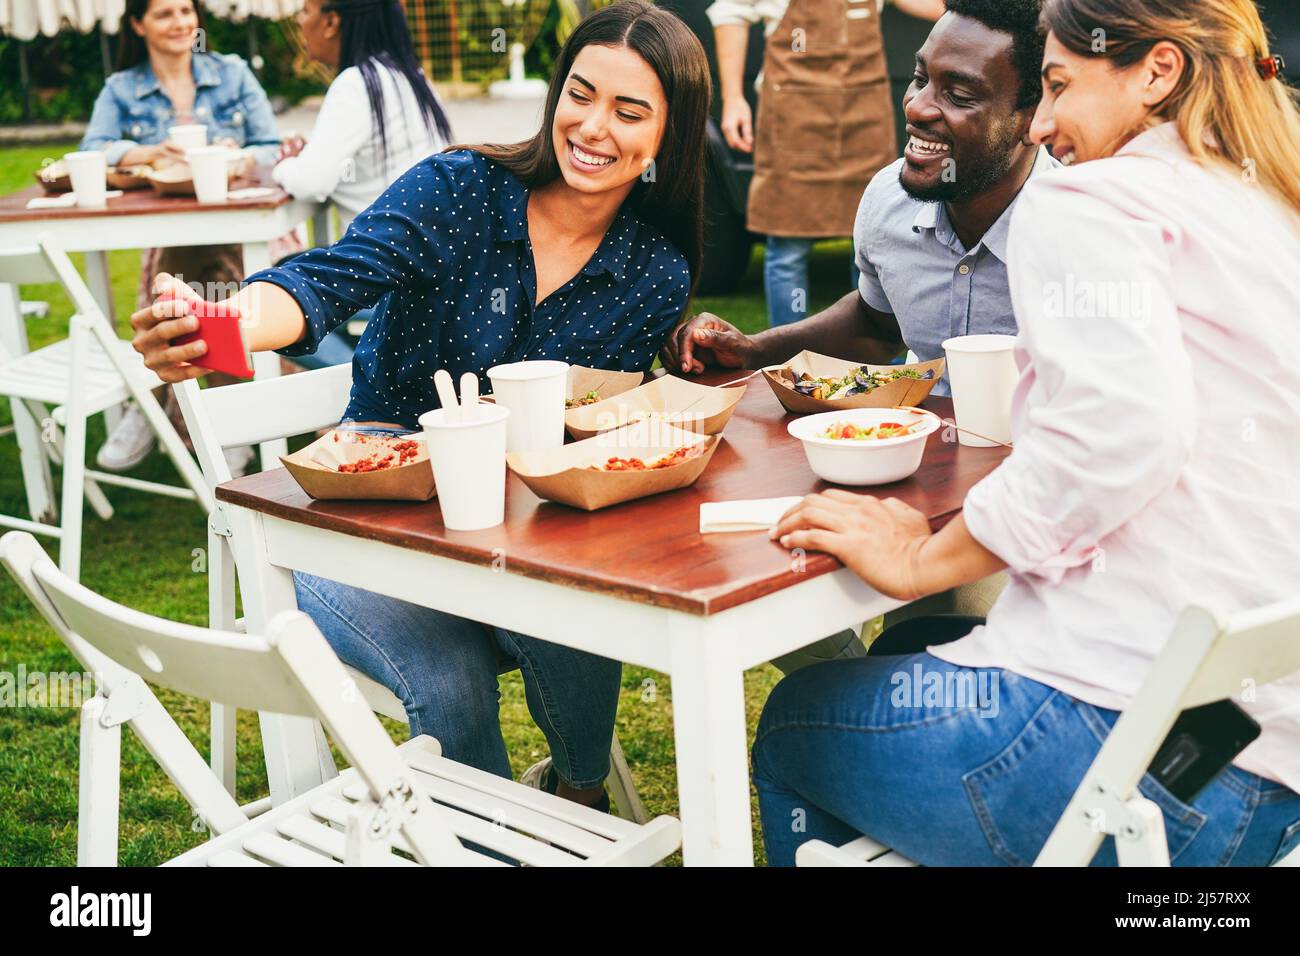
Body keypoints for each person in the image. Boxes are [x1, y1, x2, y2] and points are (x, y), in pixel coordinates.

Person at [754, 0, 1300, 866]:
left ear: (1157, 72)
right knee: (922, 651)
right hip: (1260, 773)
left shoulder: (1090, 201)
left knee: (795, 722)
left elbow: (1121, 434)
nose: (1042, 127)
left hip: (1133, 773)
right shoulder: (1266, 206)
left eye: (1057, 86)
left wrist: (920, 560)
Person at [129, 1, 709, 811]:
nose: (594, 126)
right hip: (368, 516)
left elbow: (592, 431)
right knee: (453, 679)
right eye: (580, 94)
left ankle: (581, 796)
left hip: (518, 527)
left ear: (669, 136)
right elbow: (324, 281)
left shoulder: (653, 271)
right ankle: (483, 845)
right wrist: (214, 328)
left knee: (585, 607)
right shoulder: (462, 189)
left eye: (629, 110)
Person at [670, 0, 1053, 663]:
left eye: (958, 93)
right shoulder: (888, 201)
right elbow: (878, 322)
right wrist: (757, 348)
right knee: (753, 573)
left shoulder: (1079, 228)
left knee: (932, 637)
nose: (919, 108)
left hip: (1032, 507)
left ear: (1032, 120)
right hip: (910, 477)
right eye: (920, 79)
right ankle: (849, 688)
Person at [81, 0, 285, 475]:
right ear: (138, 23)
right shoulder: (121, 88)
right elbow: (92, 149)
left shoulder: (231, 73)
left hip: (235, 227)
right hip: (171, 229)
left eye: (185, 11)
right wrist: (147, 150)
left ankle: (150, 397)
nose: (179, 23)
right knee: (194, 265)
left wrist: (235, 154)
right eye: (164, 13)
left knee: (185, 275)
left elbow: (271, 146)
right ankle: (229, 415)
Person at [709, 0, 946, 328]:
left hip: (862, 117)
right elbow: (729, 13)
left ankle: (871, 352)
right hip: (794, 118)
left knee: (870, 237)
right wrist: (733, 99)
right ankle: (788, 355)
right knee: (788, 242)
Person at [273, 0, 454, 371]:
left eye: (305, 12)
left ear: (331, 22)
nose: (300, 23)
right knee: (300, 276)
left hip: (387, 279)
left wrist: (284, 166)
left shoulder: (357, 84)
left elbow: (310, 182)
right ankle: (369, 373)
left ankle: (357, 382)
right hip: (435, 271)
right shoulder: (409, 77)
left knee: (275, 292)